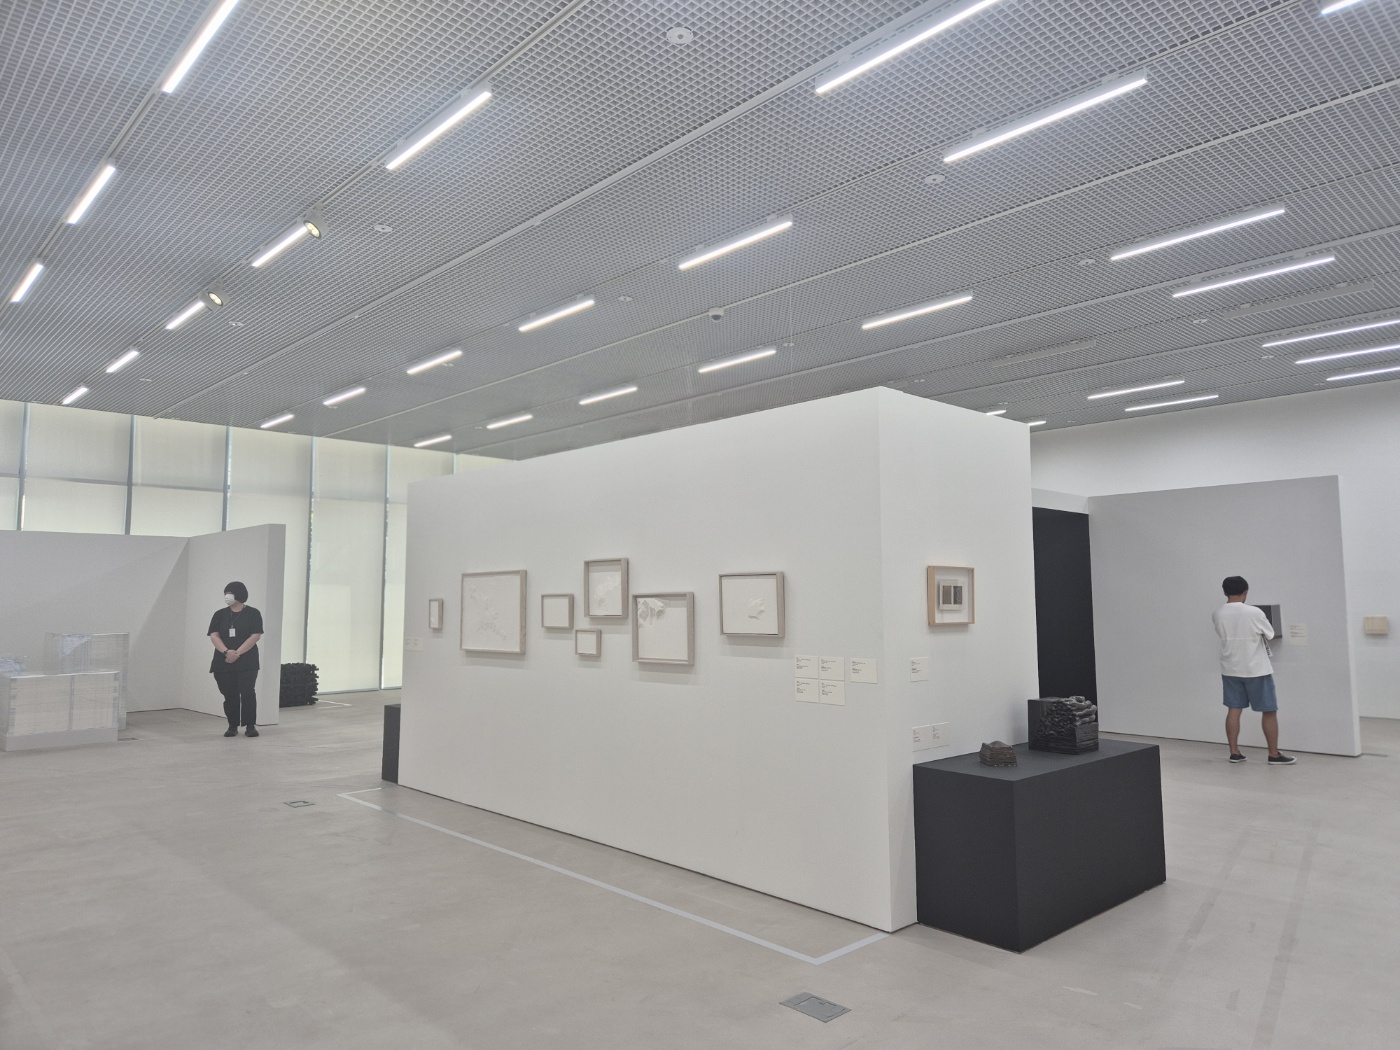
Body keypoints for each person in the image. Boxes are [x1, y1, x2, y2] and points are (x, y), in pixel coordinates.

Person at [1212, 576, 1294, 765]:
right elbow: (1270, 634)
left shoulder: (1217, 613)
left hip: (1230, 668)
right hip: (1256, 669)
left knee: (1234, 709)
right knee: (1269, 710)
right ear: (1245, 592)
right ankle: (1273, 754)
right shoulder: (1254, 612)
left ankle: (1234, 753)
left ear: (1224, 592)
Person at [209, 581, 264, 738]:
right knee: (229, 693)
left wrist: (237, 653)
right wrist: (226, 652)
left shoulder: (253, 613)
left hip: (247, 661)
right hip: (223, 661)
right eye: (225, 593)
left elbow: (255, 636)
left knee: (247, 692)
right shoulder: (220, 614)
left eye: (230, 593)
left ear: (239, 595)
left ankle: (250, 726)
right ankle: (232, 725)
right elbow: (214, 635)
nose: (227, 596)